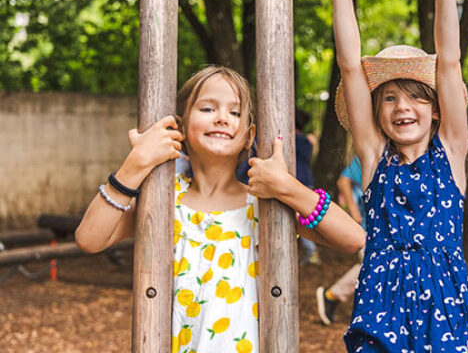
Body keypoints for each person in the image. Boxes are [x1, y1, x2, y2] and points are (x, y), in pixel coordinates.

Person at [74, 66, 365, 352]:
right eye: (208, 109)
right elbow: (90, 239)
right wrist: (135, 166)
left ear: (249, 136)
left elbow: (354, 239)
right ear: (182, 126)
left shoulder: (264, 205)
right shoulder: (162, 199)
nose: (222, 119)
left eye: (235, 112)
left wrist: (288, 187)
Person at [327, 0, 468, 350]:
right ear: (377, 113)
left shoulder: (451, 151)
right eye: (389, 98)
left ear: (437, 109)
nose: (402, 108)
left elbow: (448, 62)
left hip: (443, 310)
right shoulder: (375, 157)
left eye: (415, 98)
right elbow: (349, 66)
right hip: (382, 302)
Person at [316, 156, 367, 325]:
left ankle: (332, 295)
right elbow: (343, 180)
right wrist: (354, 210)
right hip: (371, 226)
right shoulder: (372, 151)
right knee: (371, 266)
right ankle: (331, 295)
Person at [296, 109, 322, 265]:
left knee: (301, 218)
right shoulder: (306, 141)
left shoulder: (296, 140)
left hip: (298, 182)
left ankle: (311, 251)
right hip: (306, 181)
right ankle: (310, 251)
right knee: (304, 217)